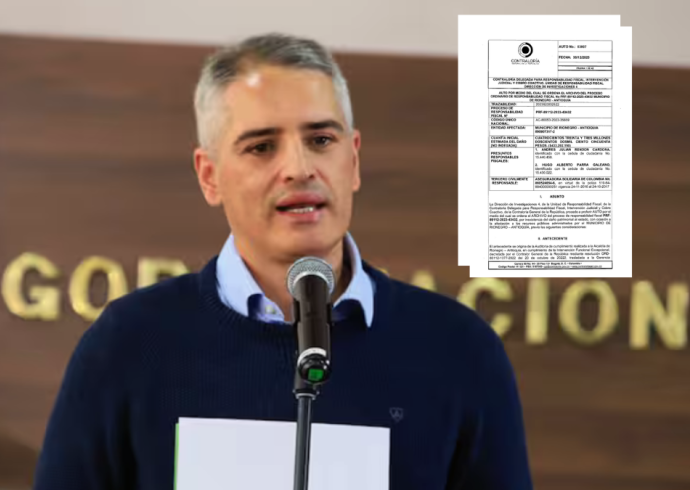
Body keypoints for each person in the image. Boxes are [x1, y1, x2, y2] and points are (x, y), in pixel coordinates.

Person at [32, 33, 533, 489]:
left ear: (353, 160)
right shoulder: (130, 343)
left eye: (321, 140)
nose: (298, 168)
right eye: (262, 147)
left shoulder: (458, 349)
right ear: (209, 176)